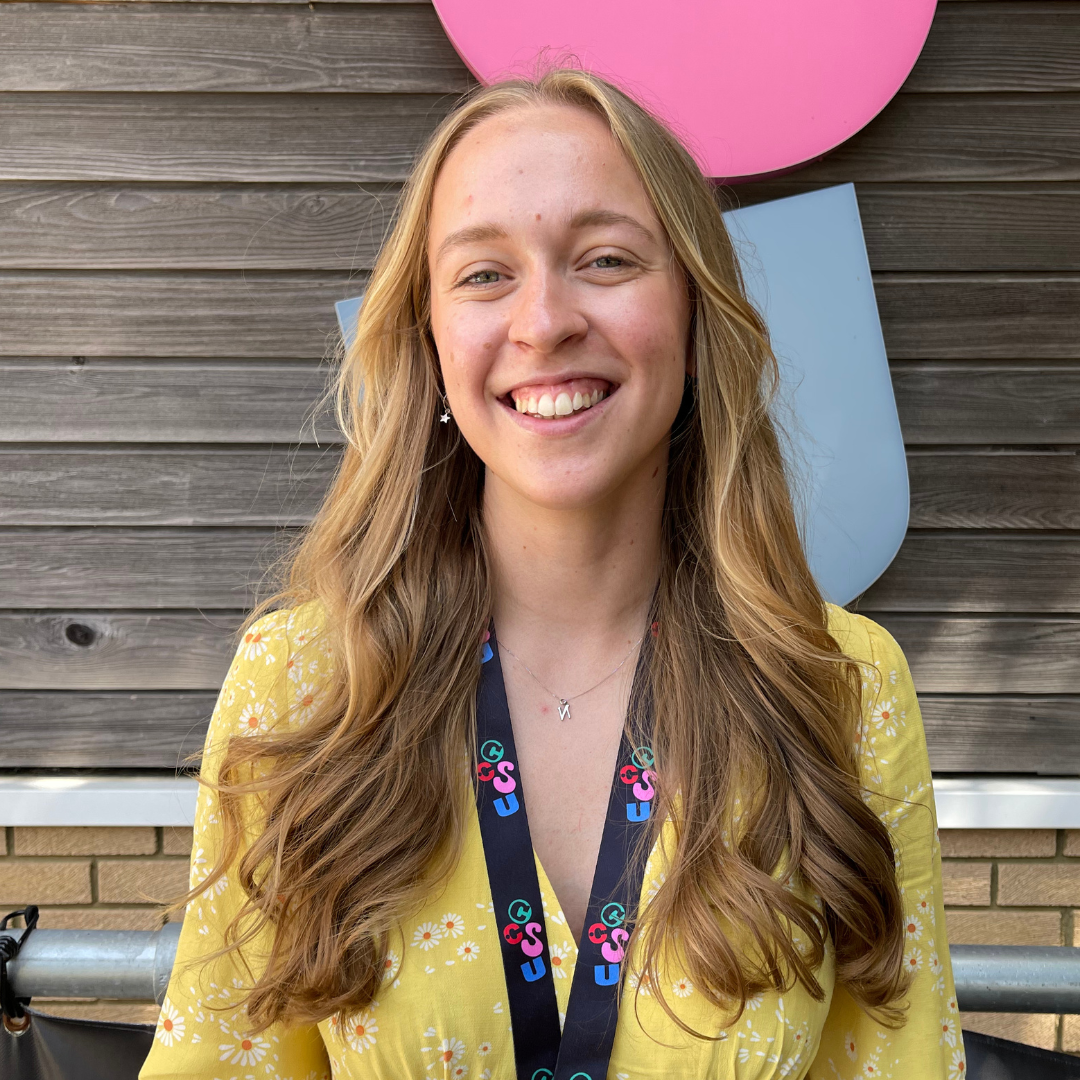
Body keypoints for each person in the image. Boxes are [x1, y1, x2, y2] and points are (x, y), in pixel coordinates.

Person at [140, 69, 965, 1080]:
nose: (543, 322)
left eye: (606, 259)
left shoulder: (841, 686)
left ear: (696, 318)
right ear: (429, 342)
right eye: (484, 274)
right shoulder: (306, 682)